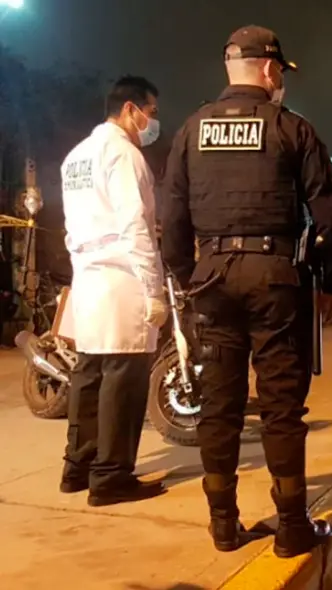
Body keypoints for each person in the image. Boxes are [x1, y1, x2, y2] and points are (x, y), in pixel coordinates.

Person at [160, 25, 332, 557]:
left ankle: (223, 524)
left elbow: (171, 216)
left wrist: (186, 276)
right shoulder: (293, 129)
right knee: (281, 407)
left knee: (219, 406)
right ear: (270, 70)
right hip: (275, 279)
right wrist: (331, 283)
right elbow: (329, 217)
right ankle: (291, 528)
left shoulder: (190, 129)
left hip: (213, 278)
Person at [59, 75, 168, 506]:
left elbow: (72, 225)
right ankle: (111, 477)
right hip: (122, 276)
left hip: (87, 275)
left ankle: (78, 467)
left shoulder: (75, 157)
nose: (152, 122)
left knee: (89, 374)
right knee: (124, 379)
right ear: (129, 109)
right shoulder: (124, 154)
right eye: (151, 112)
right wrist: (153, 287)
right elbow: (135, 224)